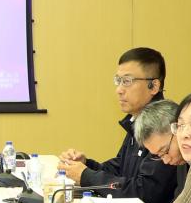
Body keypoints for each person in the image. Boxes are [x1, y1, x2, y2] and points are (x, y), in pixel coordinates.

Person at [59, 47, 165, 194]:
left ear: (153, 86)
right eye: (118, 81)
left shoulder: (162, 126)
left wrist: (86, 176)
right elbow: (119, 170)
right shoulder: (137, 120)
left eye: (127, 81)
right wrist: (86, 165)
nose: (119, 90)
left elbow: (144, 192)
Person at [129, 99, 188, 203]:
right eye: (158, 156)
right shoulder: (182, 163)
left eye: (165, 150)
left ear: (178, 128)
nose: (166, 160)